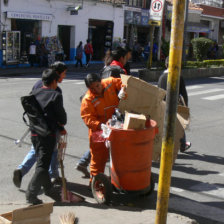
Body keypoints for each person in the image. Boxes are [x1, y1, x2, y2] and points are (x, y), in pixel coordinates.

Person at [13, 62, 67, 189]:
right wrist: (61, 127)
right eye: (64, 73)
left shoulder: (39, 84)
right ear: (57, 75)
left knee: (35, 150)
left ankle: (22, 170)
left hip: (36, 126)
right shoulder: (56, 91)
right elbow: (58, 115)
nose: (64, 76)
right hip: (49, 129)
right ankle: (50, 177)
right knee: (51, 152)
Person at [26, 68, 67, 205]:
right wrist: (60, 125)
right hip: (47, 135)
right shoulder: (55, 95)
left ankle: (48, 188)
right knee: (43, 165)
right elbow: (62, 118)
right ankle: (31, 195)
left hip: (34, 133)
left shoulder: (34, 93)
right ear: (54, 81)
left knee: (42, 161)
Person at [80, 73, 124, 182]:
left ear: (101, 82)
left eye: (97, 86)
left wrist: (123, 90)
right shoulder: (88, 99)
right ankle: (95, 182)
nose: (96, 89)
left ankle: (117, 180)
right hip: (99, 130)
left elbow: (125, 82)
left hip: (116, 126)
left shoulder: (110, 83)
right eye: (92, 88)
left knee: (120, 154)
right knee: (98, 157)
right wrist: (101, 126)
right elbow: (88, 118)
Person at [158, 57, 191, 152]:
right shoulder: (178, 76)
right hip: (174, 105)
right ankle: (182, 145)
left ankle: (165, 145)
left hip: (163, 105)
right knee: (180, 125)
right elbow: (184, 94)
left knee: (166, 127)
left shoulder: (161, 77)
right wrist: (186, 107)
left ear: (166, 64)